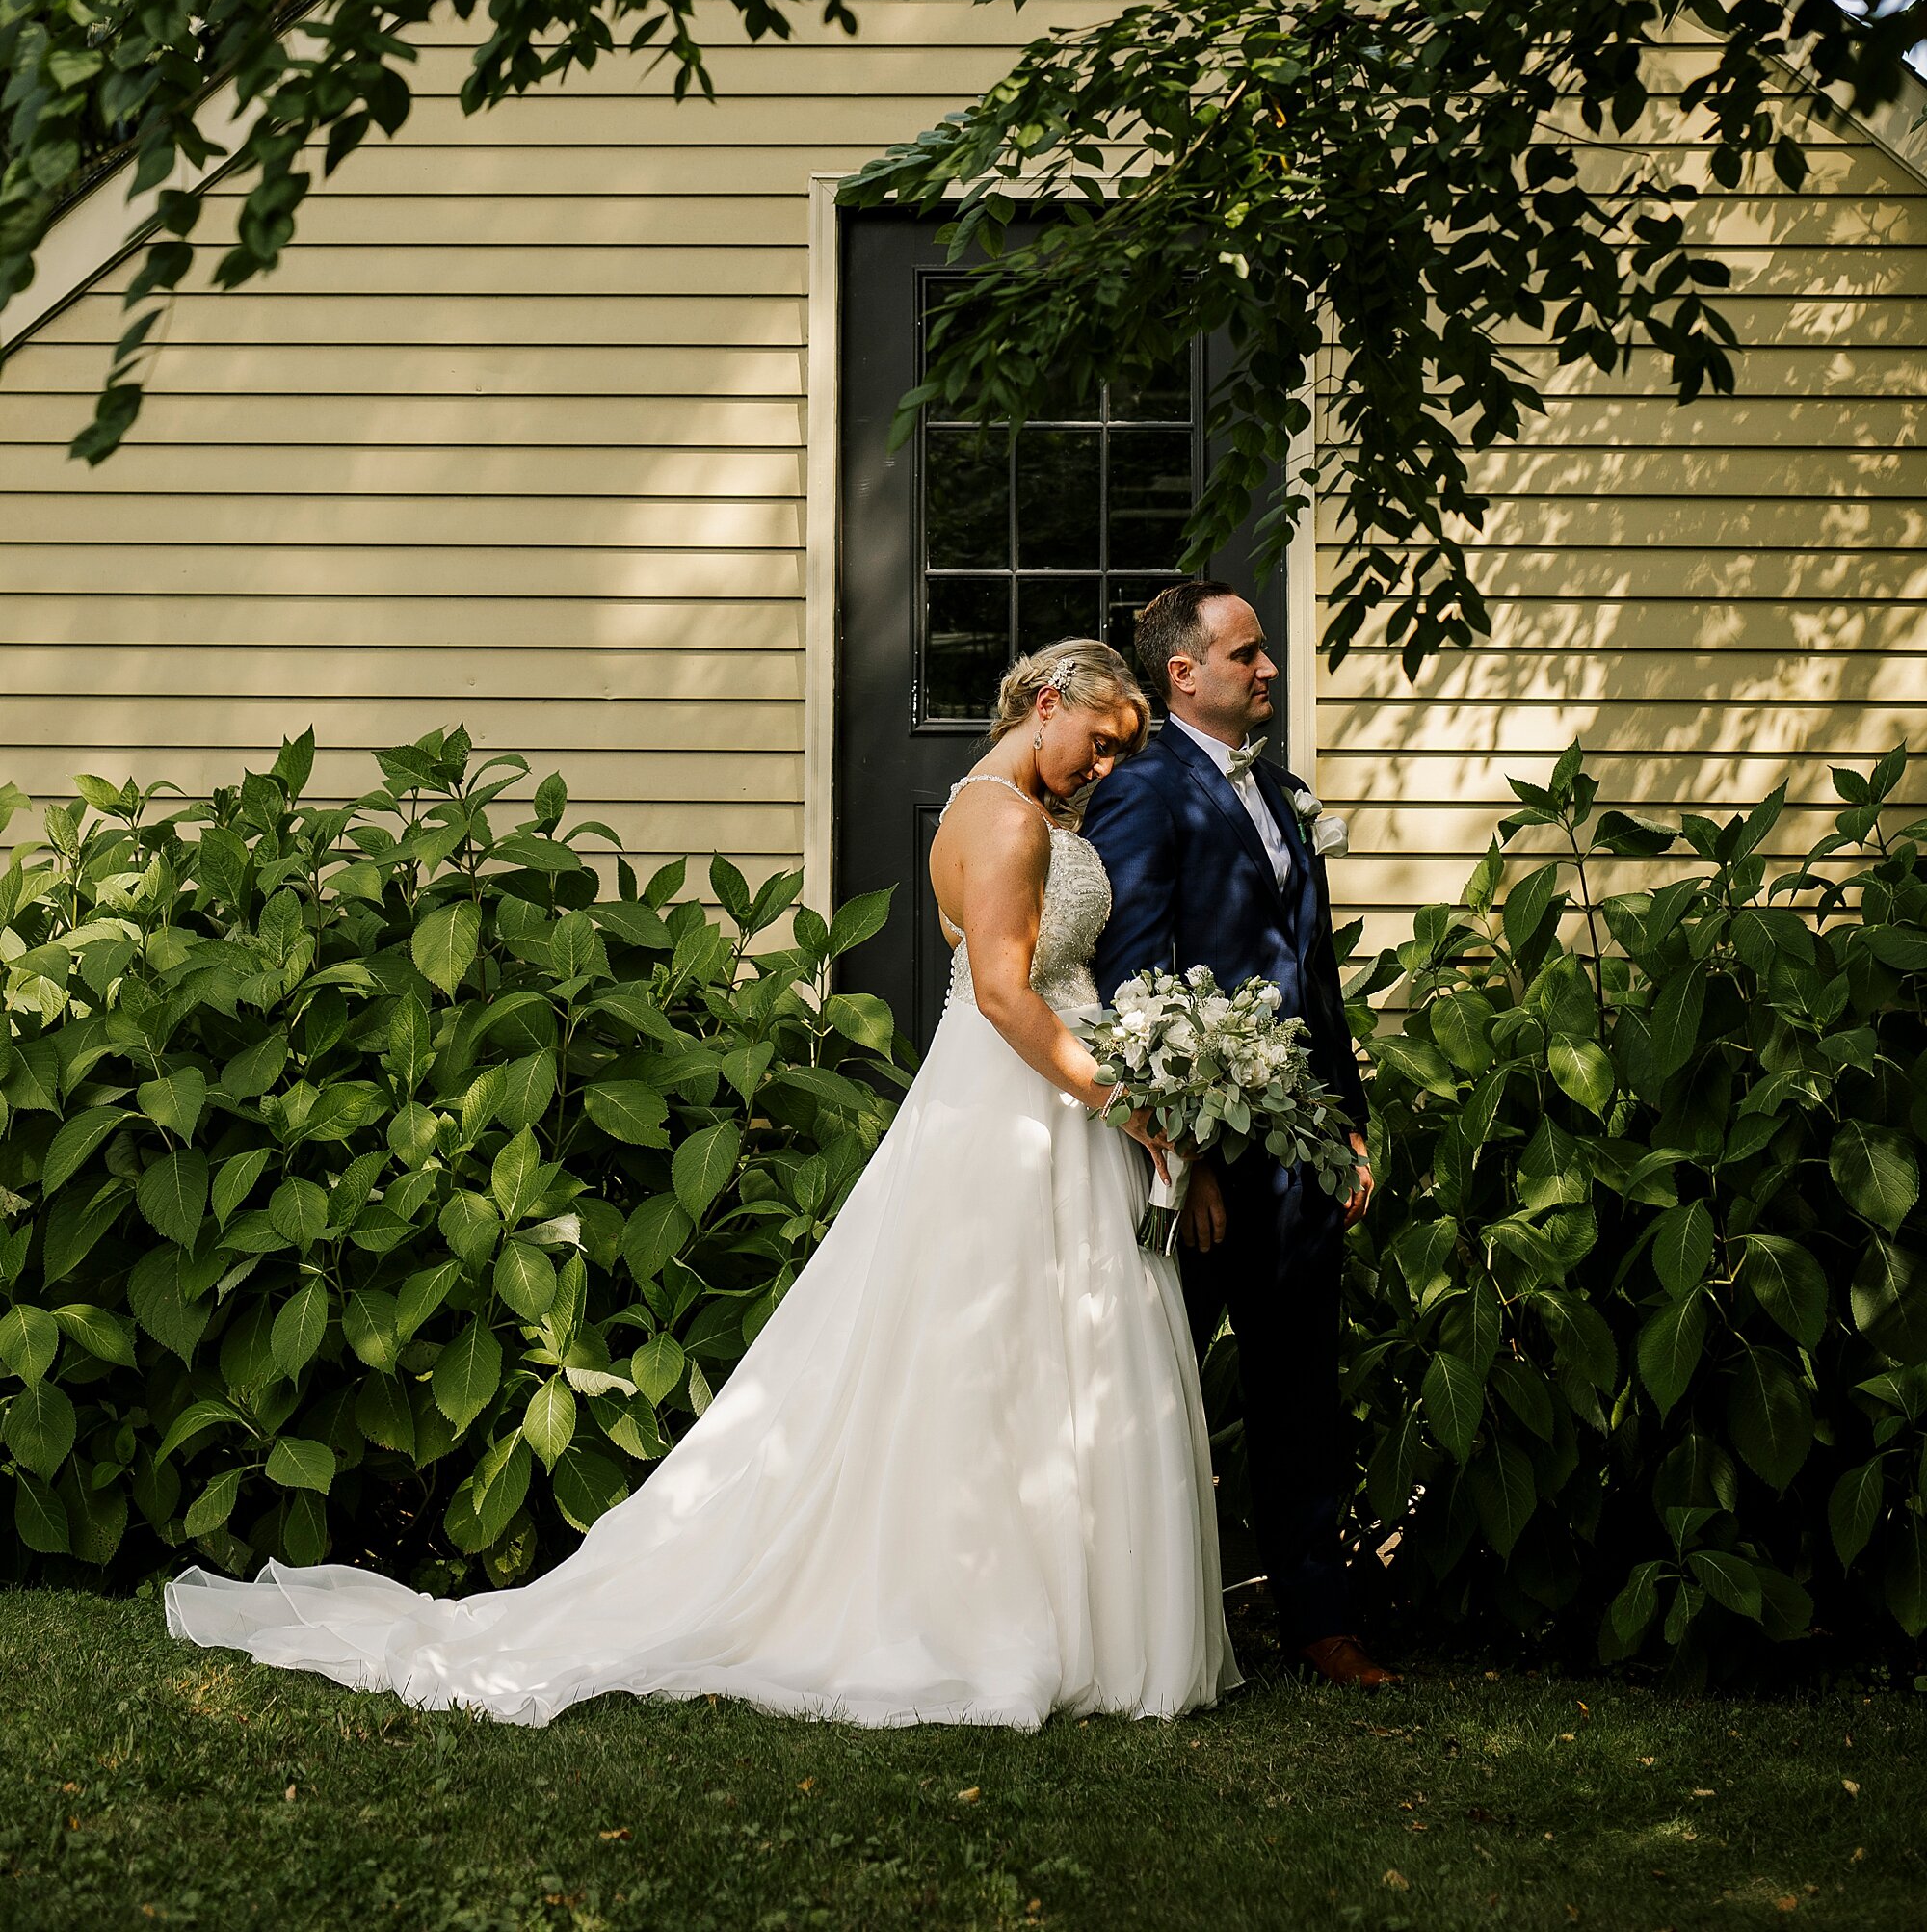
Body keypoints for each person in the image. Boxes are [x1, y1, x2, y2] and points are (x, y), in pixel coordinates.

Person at [166, 639, 1239, 1729]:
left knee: (1016, 1346)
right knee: (994, 1348)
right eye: (1098, 745)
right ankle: (997, 1609)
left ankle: (1047, 1604)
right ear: (1049, 703)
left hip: (1030, 1095)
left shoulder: (1009, 812)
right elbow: (1010, 997)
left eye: (1117, 758)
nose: (1103, 770)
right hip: (1020, 1099)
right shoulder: (1008, 823)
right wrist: (1124, 1100)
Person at [1081, 580, 1396, 1689]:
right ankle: (1130, 1625)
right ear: (1184, 675)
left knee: (1302, 1389)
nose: (1267, 670)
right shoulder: (1142, 795)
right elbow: (1137, 981)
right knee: (1155, 1388)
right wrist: (1187, 1156)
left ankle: (1320, 1623)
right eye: (1246, 653)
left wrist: (1346, 1127)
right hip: (1206, 1161)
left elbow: (1317, 977)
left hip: (1300, 1146)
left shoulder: (1284, 791)